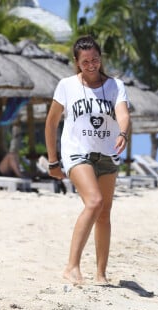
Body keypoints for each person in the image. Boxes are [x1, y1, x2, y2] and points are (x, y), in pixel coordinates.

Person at [44, 35, 131, 285]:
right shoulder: (67, 85)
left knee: (104, 214)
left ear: (100, 59)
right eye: (85, 61)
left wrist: (123, 133)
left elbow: (123, 114)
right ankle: (71, 267)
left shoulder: (115, 86)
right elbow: (51, 123)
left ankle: (101, 274)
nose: (91, 65)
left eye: (94, 59)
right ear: (77, 62)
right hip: (76, 152)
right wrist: (53, 161)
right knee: (94, 202)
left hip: (107, 153)